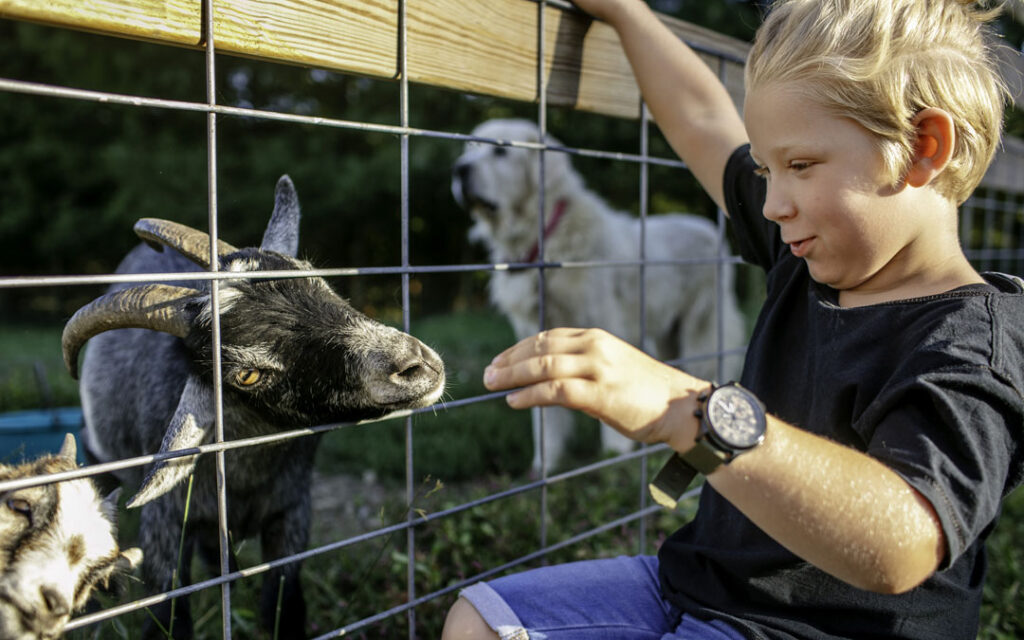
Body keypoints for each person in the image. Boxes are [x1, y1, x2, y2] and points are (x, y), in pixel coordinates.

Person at [441, 0, 1024, 638]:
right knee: (480, 620)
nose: (771, 203)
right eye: (765, 170)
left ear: (922, 147)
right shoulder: (805, 250)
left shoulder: (972, 344)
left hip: (817, 630)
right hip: (696, 584)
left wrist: (689, 411)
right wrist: (627, 13)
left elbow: (902, 544)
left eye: (799, 166)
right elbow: (698, 117)